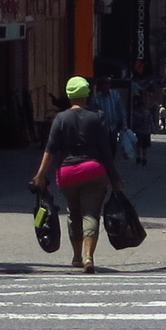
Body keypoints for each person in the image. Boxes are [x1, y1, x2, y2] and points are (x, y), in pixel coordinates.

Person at [31, 75, 125, 273]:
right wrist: (114, 177)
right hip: (94, 171)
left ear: (69, 95)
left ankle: (76, 256)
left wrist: (40, 175)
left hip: (67, 174)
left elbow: (50, 149)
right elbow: (106, 151)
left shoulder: (61, 119)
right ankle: (88, 256)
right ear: (86, 95)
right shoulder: (97, 117)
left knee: (74, 213)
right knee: (91, 214)